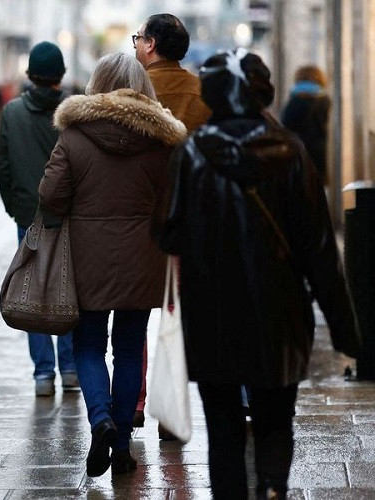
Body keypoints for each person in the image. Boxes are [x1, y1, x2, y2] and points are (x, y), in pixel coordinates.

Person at [153, 48, 360, 500]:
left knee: (223, 424)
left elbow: (166, 233)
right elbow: (321, 250)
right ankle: (271, 487)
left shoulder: (191, 155)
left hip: (212, 313)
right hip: (279, 311)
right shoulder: (291, 152)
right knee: (274, 417)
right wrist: (345, 328)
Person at [38, 52, 186, 477]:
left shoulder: (74, 135)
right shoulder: (162, 139)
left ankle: (100, 418)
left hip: (87, 256)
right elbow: (174, 199)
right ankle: (121, 445)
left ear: (97, 81)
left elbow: (50, 196)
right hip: (143, 256)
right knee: (128, 347)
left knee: (87, 345)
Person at [133, 12, 211, 435]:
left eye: (138, 37)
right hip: (189, 215)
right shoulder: (200, 91)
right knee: (176, 312)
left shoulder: (135, 91)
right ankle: (171, 405)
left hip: (141, 216)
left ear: (152, 45)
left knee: (133, 315)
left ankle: (136, 399)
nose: (136, 44)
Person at [0, 41, 78, 397]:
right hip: (70, 216)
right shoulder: (73, 111)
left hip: (29, 216)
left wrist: (15, 207)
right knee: (69, 286)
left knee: (32, 288)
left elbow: (3, 166)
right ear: (60, 75)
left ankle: (43, 373)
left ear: (31, 74)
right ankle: (71, 367)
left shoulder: (13, 112)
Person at [281, 65, 331, 184]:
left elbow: (285, 126)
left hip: (298, 153)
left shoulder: (293, 102)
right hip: (320, 153)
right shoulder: (325, 101)